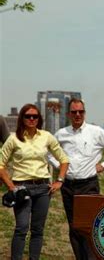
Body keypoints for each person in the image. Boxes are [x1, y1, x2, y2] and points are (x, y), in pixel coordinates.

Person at [49, 98, 104, 260]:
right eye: (74, 112)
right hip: (68, 186)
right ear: (68, 114)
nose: (77, 115)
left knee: (91, 225)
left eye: (81, 111)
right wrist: (59, 166)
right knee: (74, 226)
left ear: (85, 113)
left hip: (89, 185)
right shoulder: (61, 134)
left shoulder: (95, 132)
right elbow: (49, 152)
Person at [0, 104, 69, 260]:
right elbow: (0, 165)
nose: (32, 119)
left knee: (38, 230)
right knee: (21, 228)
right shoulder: (13, 138)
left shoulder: (46, 136)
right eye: (28, 116)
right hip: (21, 188)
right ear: (22, 119)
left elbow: (64, 159)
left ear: (39, 119)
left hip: (43, 188)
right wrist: (11, 187)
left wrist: (59, 180)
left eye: (35, 116)